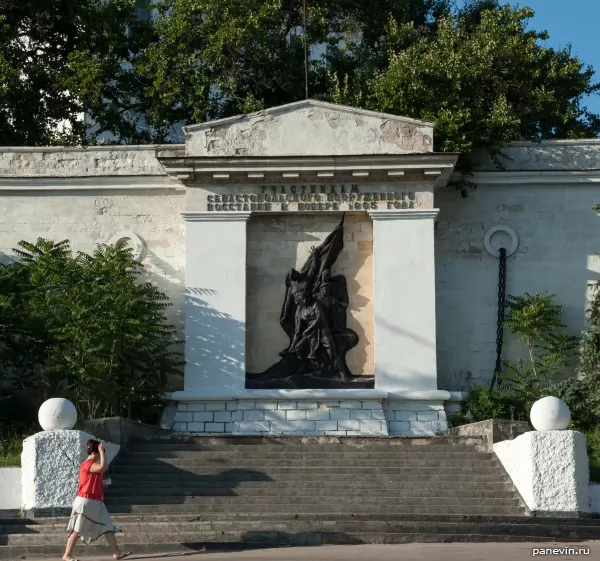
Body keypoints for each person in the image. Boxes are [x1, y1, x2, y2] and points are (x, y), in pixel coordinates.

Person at [63, 439, 131, 561]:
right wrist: (101, 450)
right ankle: (67, 555)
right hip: (86, 501)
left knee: (108, 526)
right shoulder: (88, 464)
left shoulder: (90, 464)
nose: (101, 457)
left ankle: (116, 552)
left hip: (96, 502)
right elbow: (103, 467)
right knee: (77, 529)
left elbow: (99, 471)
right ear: (95, 453)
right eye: (100, 454)